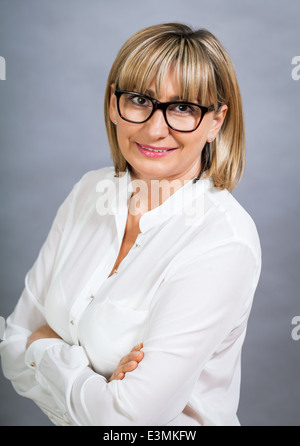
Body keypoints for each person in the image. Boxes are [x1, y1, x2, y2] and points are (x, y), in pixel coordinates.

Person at [0, 22, 261, 426]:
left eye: (183, 108)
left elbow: (125, 422)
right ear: (112, 104)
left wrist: (45, 348)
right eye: (140, 99)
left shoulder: (224, 241)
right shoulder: (89, 192)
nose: (156, 129)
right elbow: (13, 343)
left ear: (215, 122)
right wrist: (98, 385)